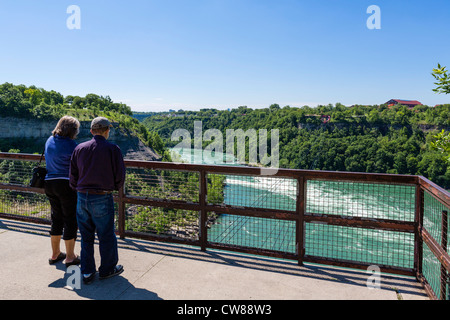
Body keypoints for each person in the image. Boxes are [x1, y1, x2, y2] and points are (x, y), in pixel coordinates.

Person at [69, 117, 126, 284]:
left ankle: (87, 272)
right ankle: (107, 269)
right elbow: (120, 175)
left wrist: (77, 188)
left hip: (81, 196)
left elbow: (72, 175)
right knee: (106, 235)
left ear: (92, 131)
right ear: (108, 130)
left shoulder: (79, 148)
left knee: (86, 236)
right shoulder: (113, 149)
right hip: (102, 196)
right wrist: (113, 187)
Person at [45, 115, 81, 267]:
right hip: (66, 185)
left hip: (49, 183)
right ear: (72, 130)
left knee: (56, 218)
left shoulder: (49, 140)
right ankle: (70, 256)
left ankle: (55, 254)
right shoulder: (72, 145)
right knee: (70, 219)